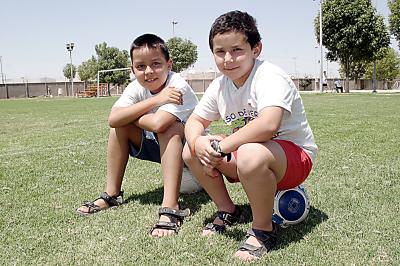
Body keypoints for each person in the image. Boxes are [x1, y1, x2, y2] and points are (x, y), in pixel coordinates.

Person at [182, 11, 317, 261]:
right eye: (220, 52)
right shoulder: (220, 85)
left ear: (256, 48)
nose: (228, 59)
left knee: (248, 152)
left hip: (294, 160)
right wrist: (197, 142)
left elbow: (268, 125)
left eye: (237, 50)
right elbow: (194, 121)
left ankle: (263, 229)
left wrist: (220, 148)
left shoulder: (269, 75)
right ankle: (229, 210)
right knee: (191, 150)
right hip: (249, 158)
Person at [76, 33, 201, 237]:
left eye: (156, 64)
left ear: (169, 64)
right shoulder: (136, 87)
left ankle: (171, 206)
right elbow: (113, 120)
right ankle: (112, 195)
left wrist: (130, 114)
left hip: (196, 167)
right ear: (133, 69)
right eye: (141, 66)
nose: (149, 71)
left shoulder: (178, 85)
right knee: (119, 128)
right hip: (170, 159)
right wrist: (155, 100)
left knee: (169, 128)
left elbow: (159, 123)